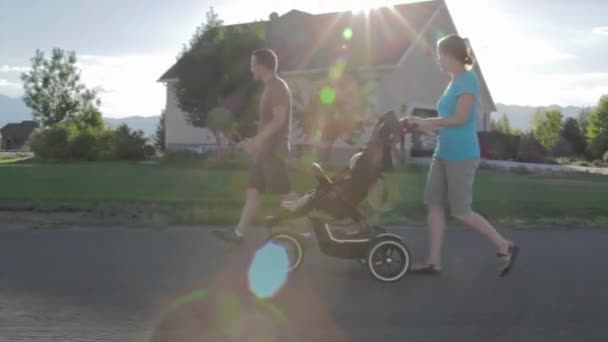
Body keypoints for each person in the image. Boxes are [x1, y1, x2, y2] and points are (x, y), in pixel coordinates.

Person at [403, 34, 519, 277]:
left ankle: (503, 245)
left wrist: (424, 122)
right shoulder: (453, 82)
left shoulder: (468, 81)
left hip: (462, 155)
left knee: (460, 210)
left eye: (440, 54)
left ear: (451, 55)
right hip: (442, 153)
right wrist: (420, 124)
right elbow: (448, 118)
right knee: (434, 204)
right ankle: (433, 261)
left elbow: (460, 119)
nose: (438, 59)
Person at [213, 48, 298, 244]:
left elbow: (278, 120)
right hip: (263, 151)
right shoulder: (269, 88)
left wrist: (258, 141)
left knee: (287, 195)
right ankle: (239, 234)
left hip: (274, 151)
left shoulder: (277, 87)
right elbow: (268, 124)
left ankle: (307, 232)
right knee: (252, 192)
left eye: (253, 65)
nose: (251, 69)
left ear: (261, 66)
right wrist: (254, 142)